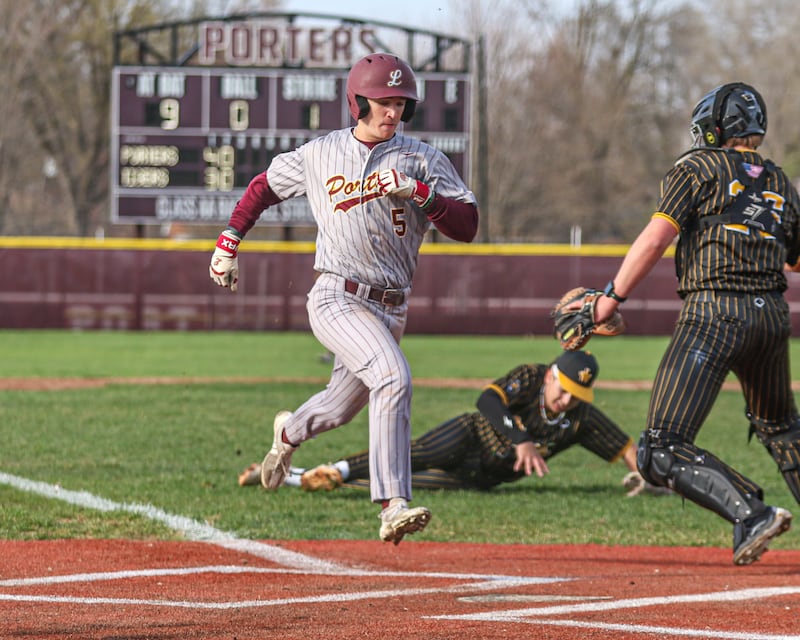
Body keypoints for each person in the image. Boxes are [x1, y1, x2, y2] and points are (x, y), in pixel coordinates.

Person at [209, 53, 479, 545]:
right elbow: (262, 188)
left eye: (400, 103)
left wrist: (421, 193)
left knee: (338, 410)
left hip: (391, 306)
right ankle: (392, 504)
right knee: (393, 378)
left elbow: (467, 227)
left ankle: (288, 434)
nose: (392, 112)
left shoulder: (422, 159)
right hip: (337, 294)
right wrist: (229, 242)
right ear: (357, 102)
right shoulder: (321, 153)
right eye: (382, 101)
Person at [592, 82, 800, 565]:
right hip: (771, 318)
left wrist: (611, 296)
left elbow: (656, 237)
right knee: (783, 430)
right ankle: (754, 509)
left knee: (659, 449)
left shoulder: (696, 166)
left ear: (715, 127)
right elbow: (796, 259)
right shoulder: (779, 181)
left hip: (714, 313)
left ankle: (751, 512)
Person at [238, 350, 668, 498]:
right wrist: (521, 439)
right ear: (554, 374)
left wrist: (648, 477)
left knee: (395, 486)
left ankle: (287, 476)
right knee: (408, 456)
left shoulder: (579, 419)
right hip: (467, 436)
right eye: (567, 387)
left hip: (479, 477)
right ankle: (313, 469)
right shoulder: (533, 377)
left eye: (579, 393)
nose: (569, 398)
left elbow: (625, 447)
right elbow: (486, 400)